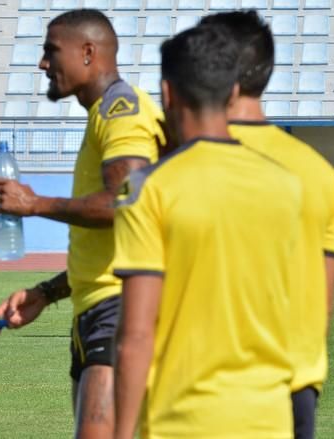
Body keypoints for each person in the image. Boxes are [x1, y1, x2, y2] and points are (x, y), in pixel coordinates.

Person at [112, 24, 303, 439]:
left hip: (180, 422)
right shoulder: (287, 185)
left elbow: (136, 334)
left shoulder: (146, 188)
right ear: (234, 93)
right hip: (268, 420)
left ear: (166, 93)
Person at [0, 9, 164, 438]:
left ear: (88, 52)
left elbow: (128, 206)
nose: (43, 64)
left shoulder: (122, 111)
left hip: (121, 310)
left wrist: (34, 203)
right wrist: (46, 293)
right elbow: (119, 243)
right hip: (96, 311)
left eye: (51, 51)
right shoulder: (101, 115)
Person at [198, 11, 334, 439]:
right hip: (293, 384)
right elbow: (322, 303)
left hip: (201, 390)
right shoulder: (316, 173)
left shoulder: (177, 168)